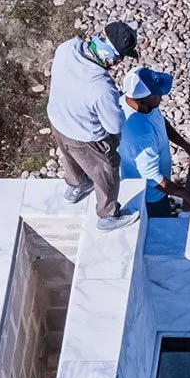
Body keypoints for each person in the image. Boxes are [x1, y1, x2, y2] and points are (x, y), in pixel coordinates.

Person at [46, 21, 141, 231]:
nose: (118, 63)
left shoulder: (67, 48)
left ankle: (76, 185)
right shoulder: (101, 87)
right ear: (112, 56)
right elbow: (114, 125)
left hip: (58, 120)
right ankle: (108, 215)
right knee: (107, 168)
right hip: (85, 136)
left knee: (69, 155)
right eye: (120, 57)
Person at [118, 67, 190, 218]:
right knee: (160, 221)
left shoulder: (141, 106)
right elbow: (155, 180)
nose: (162, 97)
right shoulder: (140, 134)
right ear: (143, 99)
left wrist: (188, 147)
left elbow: (159, 122)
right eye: (157, 94)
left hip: (157, 184)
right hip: (151, 195)